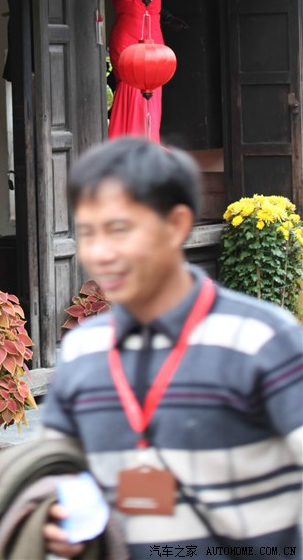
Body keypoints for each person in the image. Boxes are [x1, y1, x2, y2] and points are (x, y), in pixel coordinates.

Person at [42, 137, 303, 558]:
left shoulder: (262, 340)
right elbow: (59, 475)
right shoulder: (82, 352)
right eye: (88, 233)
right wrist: (64, 526)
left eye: (119, 229)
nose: (100, 253)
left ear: (177, 225)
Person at [106, 0, 165, 142]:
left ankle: (148, 140)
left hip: (153, 35)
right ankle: (129, 140)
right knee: (131, 85)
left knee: (152, 86)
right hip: (128, 37)